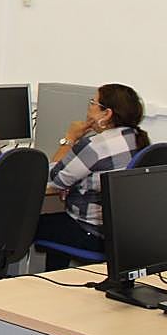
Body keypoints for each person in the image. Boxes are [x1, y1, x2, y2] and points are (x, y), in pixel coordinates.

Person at [35, 83, 148, 270]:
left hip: (91, 234)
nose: (89, 108)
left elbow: (53, 179)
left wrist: (70, 139)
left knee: (28, 226)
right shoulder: (137, 139)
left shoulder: (96, 145)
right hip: (119, 236)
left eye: (92, 103)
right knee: (56, 222)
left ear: (107, 113)